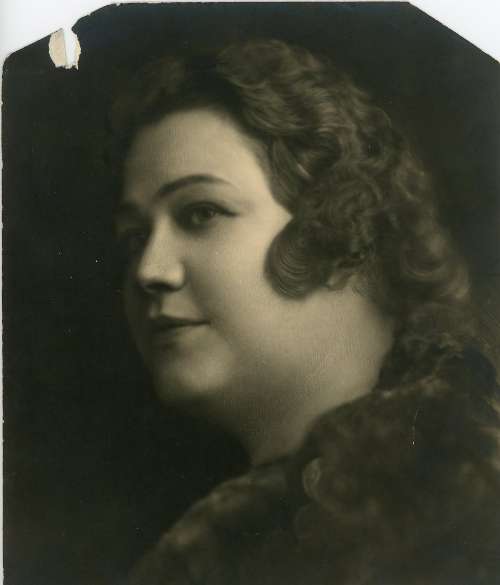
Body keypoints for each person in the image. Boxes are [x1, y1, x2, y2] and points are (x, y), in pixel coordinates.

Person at [110, 40, 500, 584]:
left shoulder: (463, 499)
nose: (148, 270)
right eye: (134, 238)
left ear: (338, 221)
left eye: (200, 213)